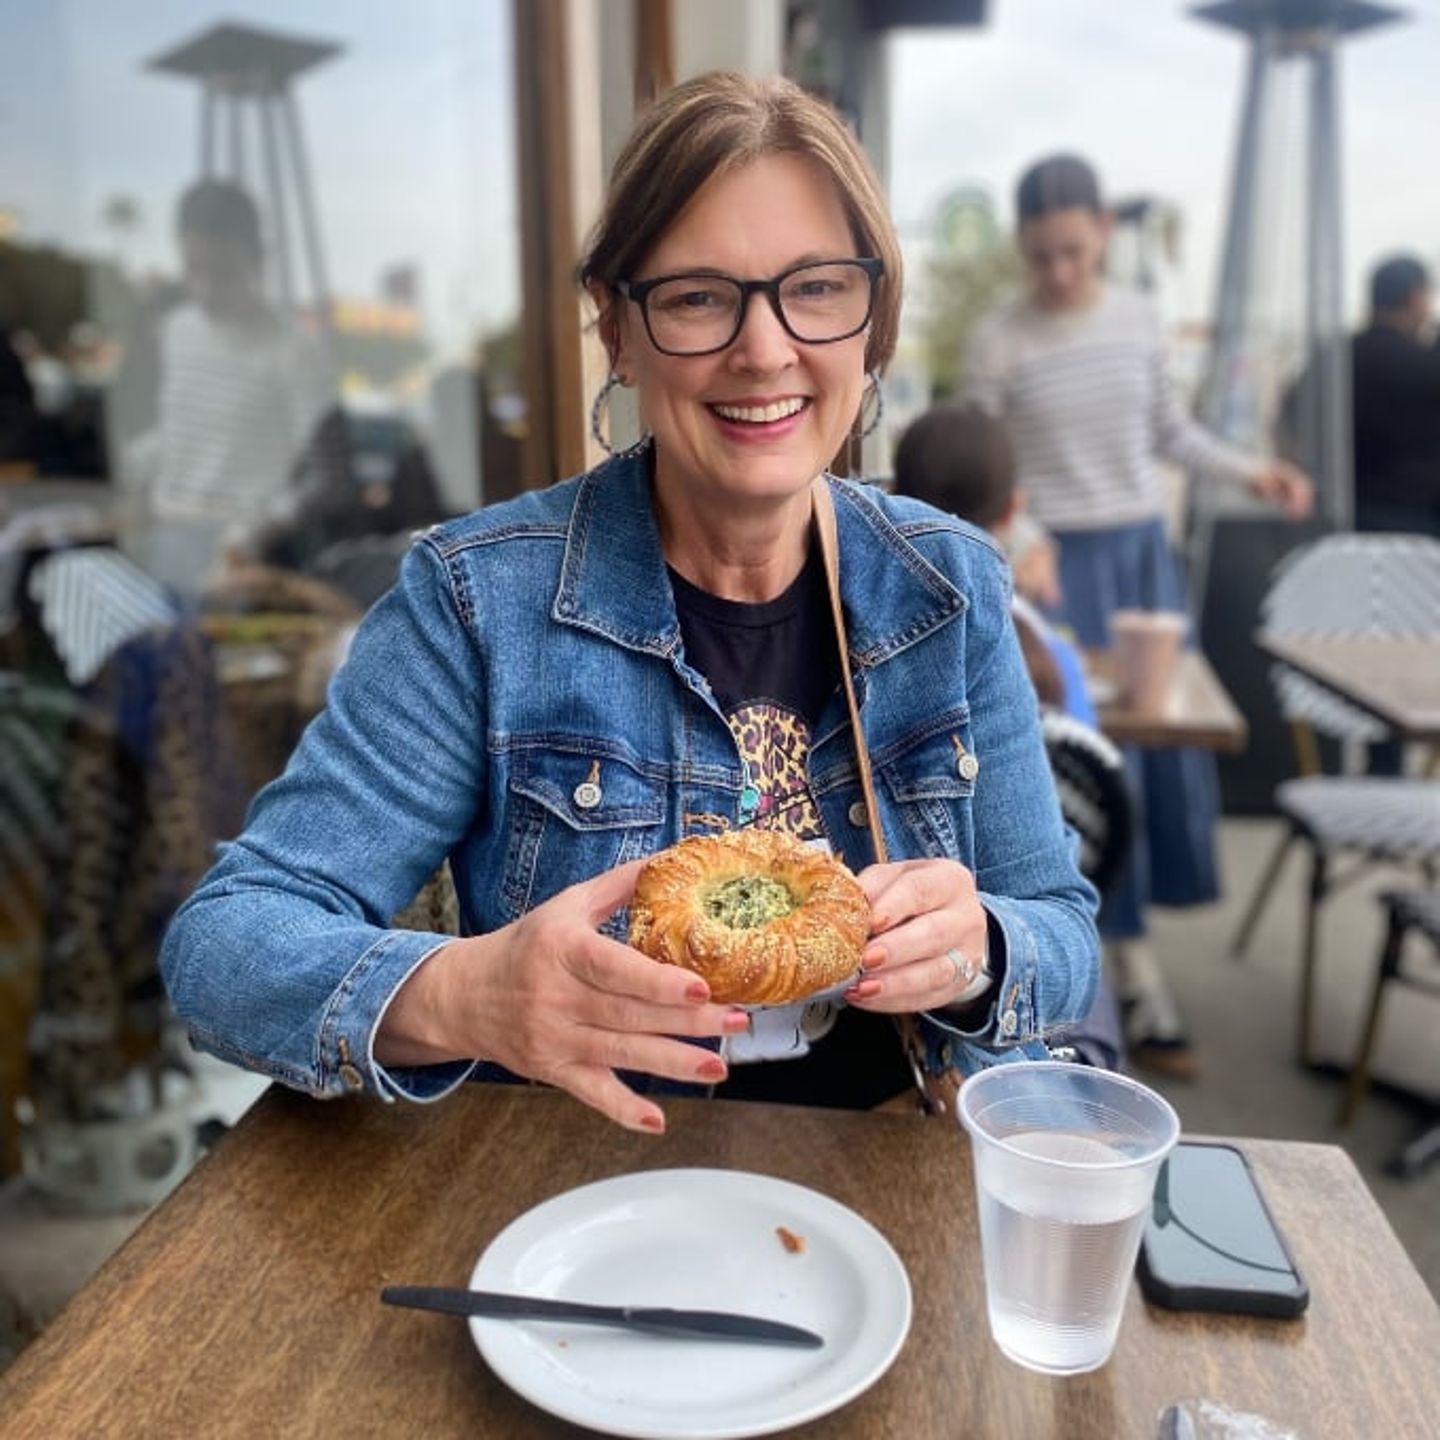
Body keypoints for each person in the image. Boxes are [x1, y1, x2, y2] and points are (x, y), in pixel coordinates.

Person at [160, 73, 1099, 1134]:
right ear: (618, 327)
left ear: (870, 321)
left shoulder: (951, 587)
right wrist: (466, 995)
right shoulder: (480, 602)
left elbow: (1062, 932)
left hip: (885, 1172)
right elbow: (224, 946)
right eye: (698, 296)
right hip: (581, 1185)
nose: (765, 349)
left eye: (816, 288)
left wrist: (982, 950)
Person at [962, 153, 1313, 1075]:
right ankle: (1103, 981)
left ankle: (1127, 965)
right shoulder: (999, 338)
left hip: (1138, 558)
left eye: (1074, 252)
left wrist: (1252, 471)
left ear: (1103, 234)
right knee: (1072, 769)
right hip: (1047, 567)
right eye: (1041, 255)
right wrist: (1020, 539)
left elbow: (1170, 434)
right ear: (1022, 247)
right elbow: (981, 471)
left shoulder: (1139, 319)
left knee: (1148, 762)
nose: (1059, 271)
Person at [892, 402, 1124, 1072]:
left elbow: (1050, 912)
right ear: (1015, 507)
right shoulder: (1045, 644)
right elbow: (1083, 735)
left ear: (895, 492)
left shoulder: (981, 628)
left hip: (982, 967)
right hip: (1090, 840)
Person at [124, 180, 331, 594]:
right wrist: (130, 467)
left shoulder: (294, 352)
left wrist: (255, 532)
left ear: (256, 261)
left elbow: (320, 477)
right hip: (164, 538)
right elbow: (183, 432)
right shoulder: (175, 332)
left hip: (246, 559)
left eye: (222, 272)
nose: (206, 288)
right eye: (194, 270)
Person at [1349, 255, 1440, 537]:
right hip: (1421, 524)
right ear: (1417, 296)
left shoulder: (1335, 358)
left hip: (1348, 520)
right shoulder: (1425, 364)